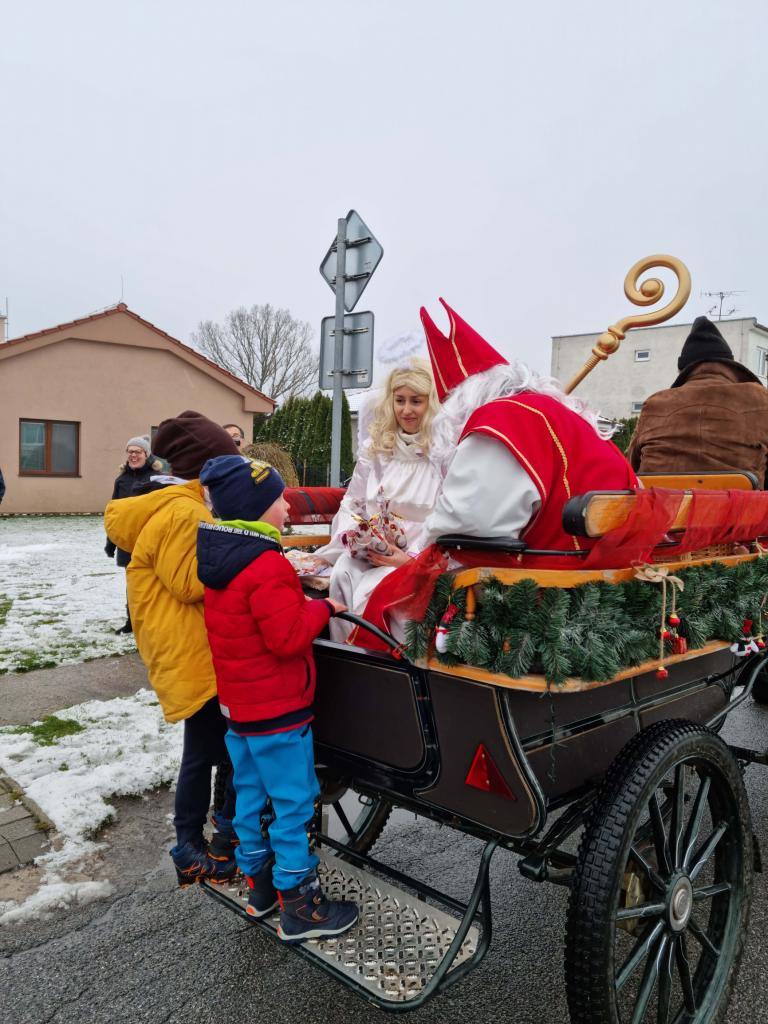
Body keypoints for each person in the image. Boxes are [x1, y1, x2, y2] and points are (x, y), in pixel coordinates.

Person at [196, 454, 358, 942]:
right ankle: (300, 904)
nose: (288, 507)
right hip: (278, 711)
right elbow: (287, 638)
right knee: (293, 802)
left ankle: (260, 885)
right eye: (279, 499)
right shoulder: (266, 565)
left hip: (240, 709)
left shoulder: (222, 558)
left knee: (249, 794)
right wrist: (323, 608)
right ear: (257, 508)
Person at [104, 410, 241, 886]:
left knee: (208, 749)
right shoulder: (185, 512)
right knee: (210, 750)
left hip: (181, 646)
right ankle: (190, 846)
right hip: (190, 651)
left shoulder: (173, 505)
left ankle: (207, 836)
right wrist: (243, 558)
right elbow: (189, 582)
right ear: (206, 467)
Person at [419, 300, 638, 555]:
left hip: (555, 571)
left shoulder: (501, 420)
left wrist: (418, 546)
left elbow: (466, 523)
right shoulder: (562, 414)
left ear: (458, 405)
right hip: (614, 561)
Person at [310, 357, 447, 640]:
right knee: (343, 572)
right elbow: (353, 502)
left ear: (431, 403)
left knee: (379, 588)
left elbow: (446, 517)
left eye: (416, 401)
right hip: (370, 552)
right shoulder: (376, 450)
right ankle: (346, 653)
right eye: (399, 400)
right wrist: (356, 537)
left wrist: (408, 559)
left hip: (417, 559)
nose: (406, 410)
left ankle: (382, 658)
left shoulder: (443, 455)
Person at [627, 316, 768, 485]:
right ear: (730, 366)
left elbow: (631, 467)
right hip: (741, 502)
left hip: (661, 501)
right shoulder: (760, 399)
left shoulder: (655, 404)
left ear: (683, 370)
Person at [104, 435, 168, 634]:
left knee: (153, 584)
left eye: (137, 451)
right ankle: (132, 621)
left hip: (151, 541)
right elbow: (115, 514)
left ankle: (155, 622)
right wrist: (111, 542)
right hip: (128, 542)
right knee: (133, 584)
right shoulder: (121, 480)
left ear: (146, 454)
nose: (133, 455)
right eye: (130, 451)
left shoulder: (157, 479)